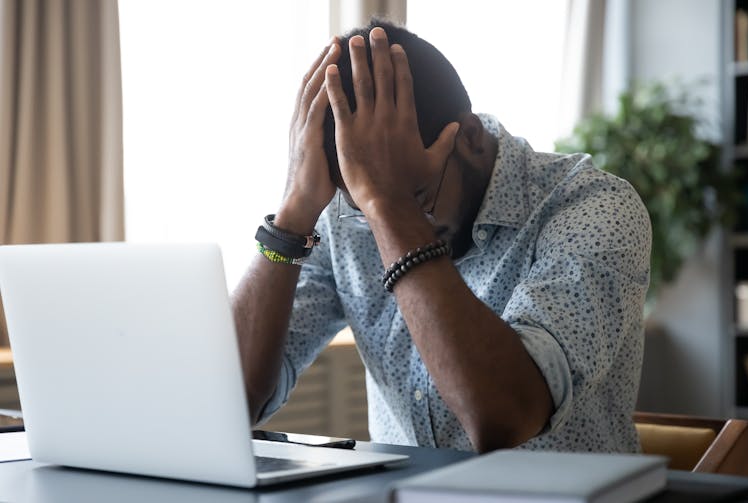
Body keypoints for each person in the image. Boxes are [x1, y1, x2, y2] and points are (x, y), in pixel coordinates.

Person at [232, 19, 651, 453]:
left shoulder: (594, 207)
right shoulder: (351, 212)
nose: (375, 221)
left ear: (469, 137)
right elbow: (232, 401)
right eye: (362, 204)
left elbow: (504, 417)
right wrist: (292, 217)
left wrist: (390, 205)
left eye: (416, 194)